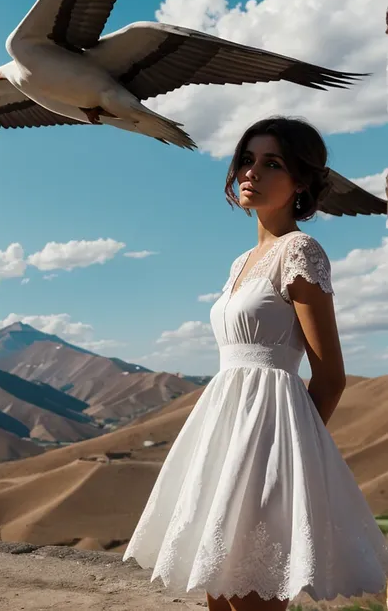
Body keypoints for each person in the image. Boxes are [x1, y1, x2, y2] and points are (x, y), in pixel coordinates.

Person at [122, 116, 388, 610]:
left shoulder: (301, 251)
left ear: (302, 182)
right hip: (222, 439)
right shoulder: (239, 262)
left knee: (252, 598)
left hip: (269, 444)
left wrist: (291, 456)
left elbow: (330, 376)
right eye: (246, 161)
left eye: (271, 163)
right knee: (218, 597)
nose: (251, 173)